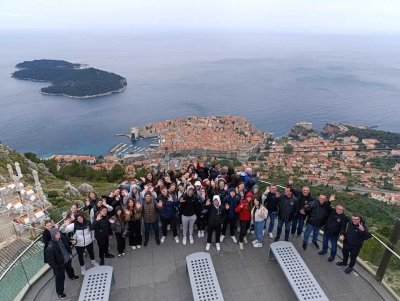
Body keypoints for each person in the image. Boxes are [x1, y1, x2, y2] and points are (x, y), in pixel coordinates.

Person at [45, 228, 79, 299]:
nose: (58, 234)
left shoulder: (62, 237)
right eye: (56, 234)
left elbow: (68, 240)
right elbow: (50, 260)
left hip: (67, 259)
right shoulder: (50, 247)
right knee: (60, 278)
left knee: (70, 268)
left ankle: (72, 276)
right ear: (53, 235)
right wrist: (56, 268)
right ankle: (60, 293)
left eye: (58, 233)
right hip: (59, 265)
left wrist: (72, 241)